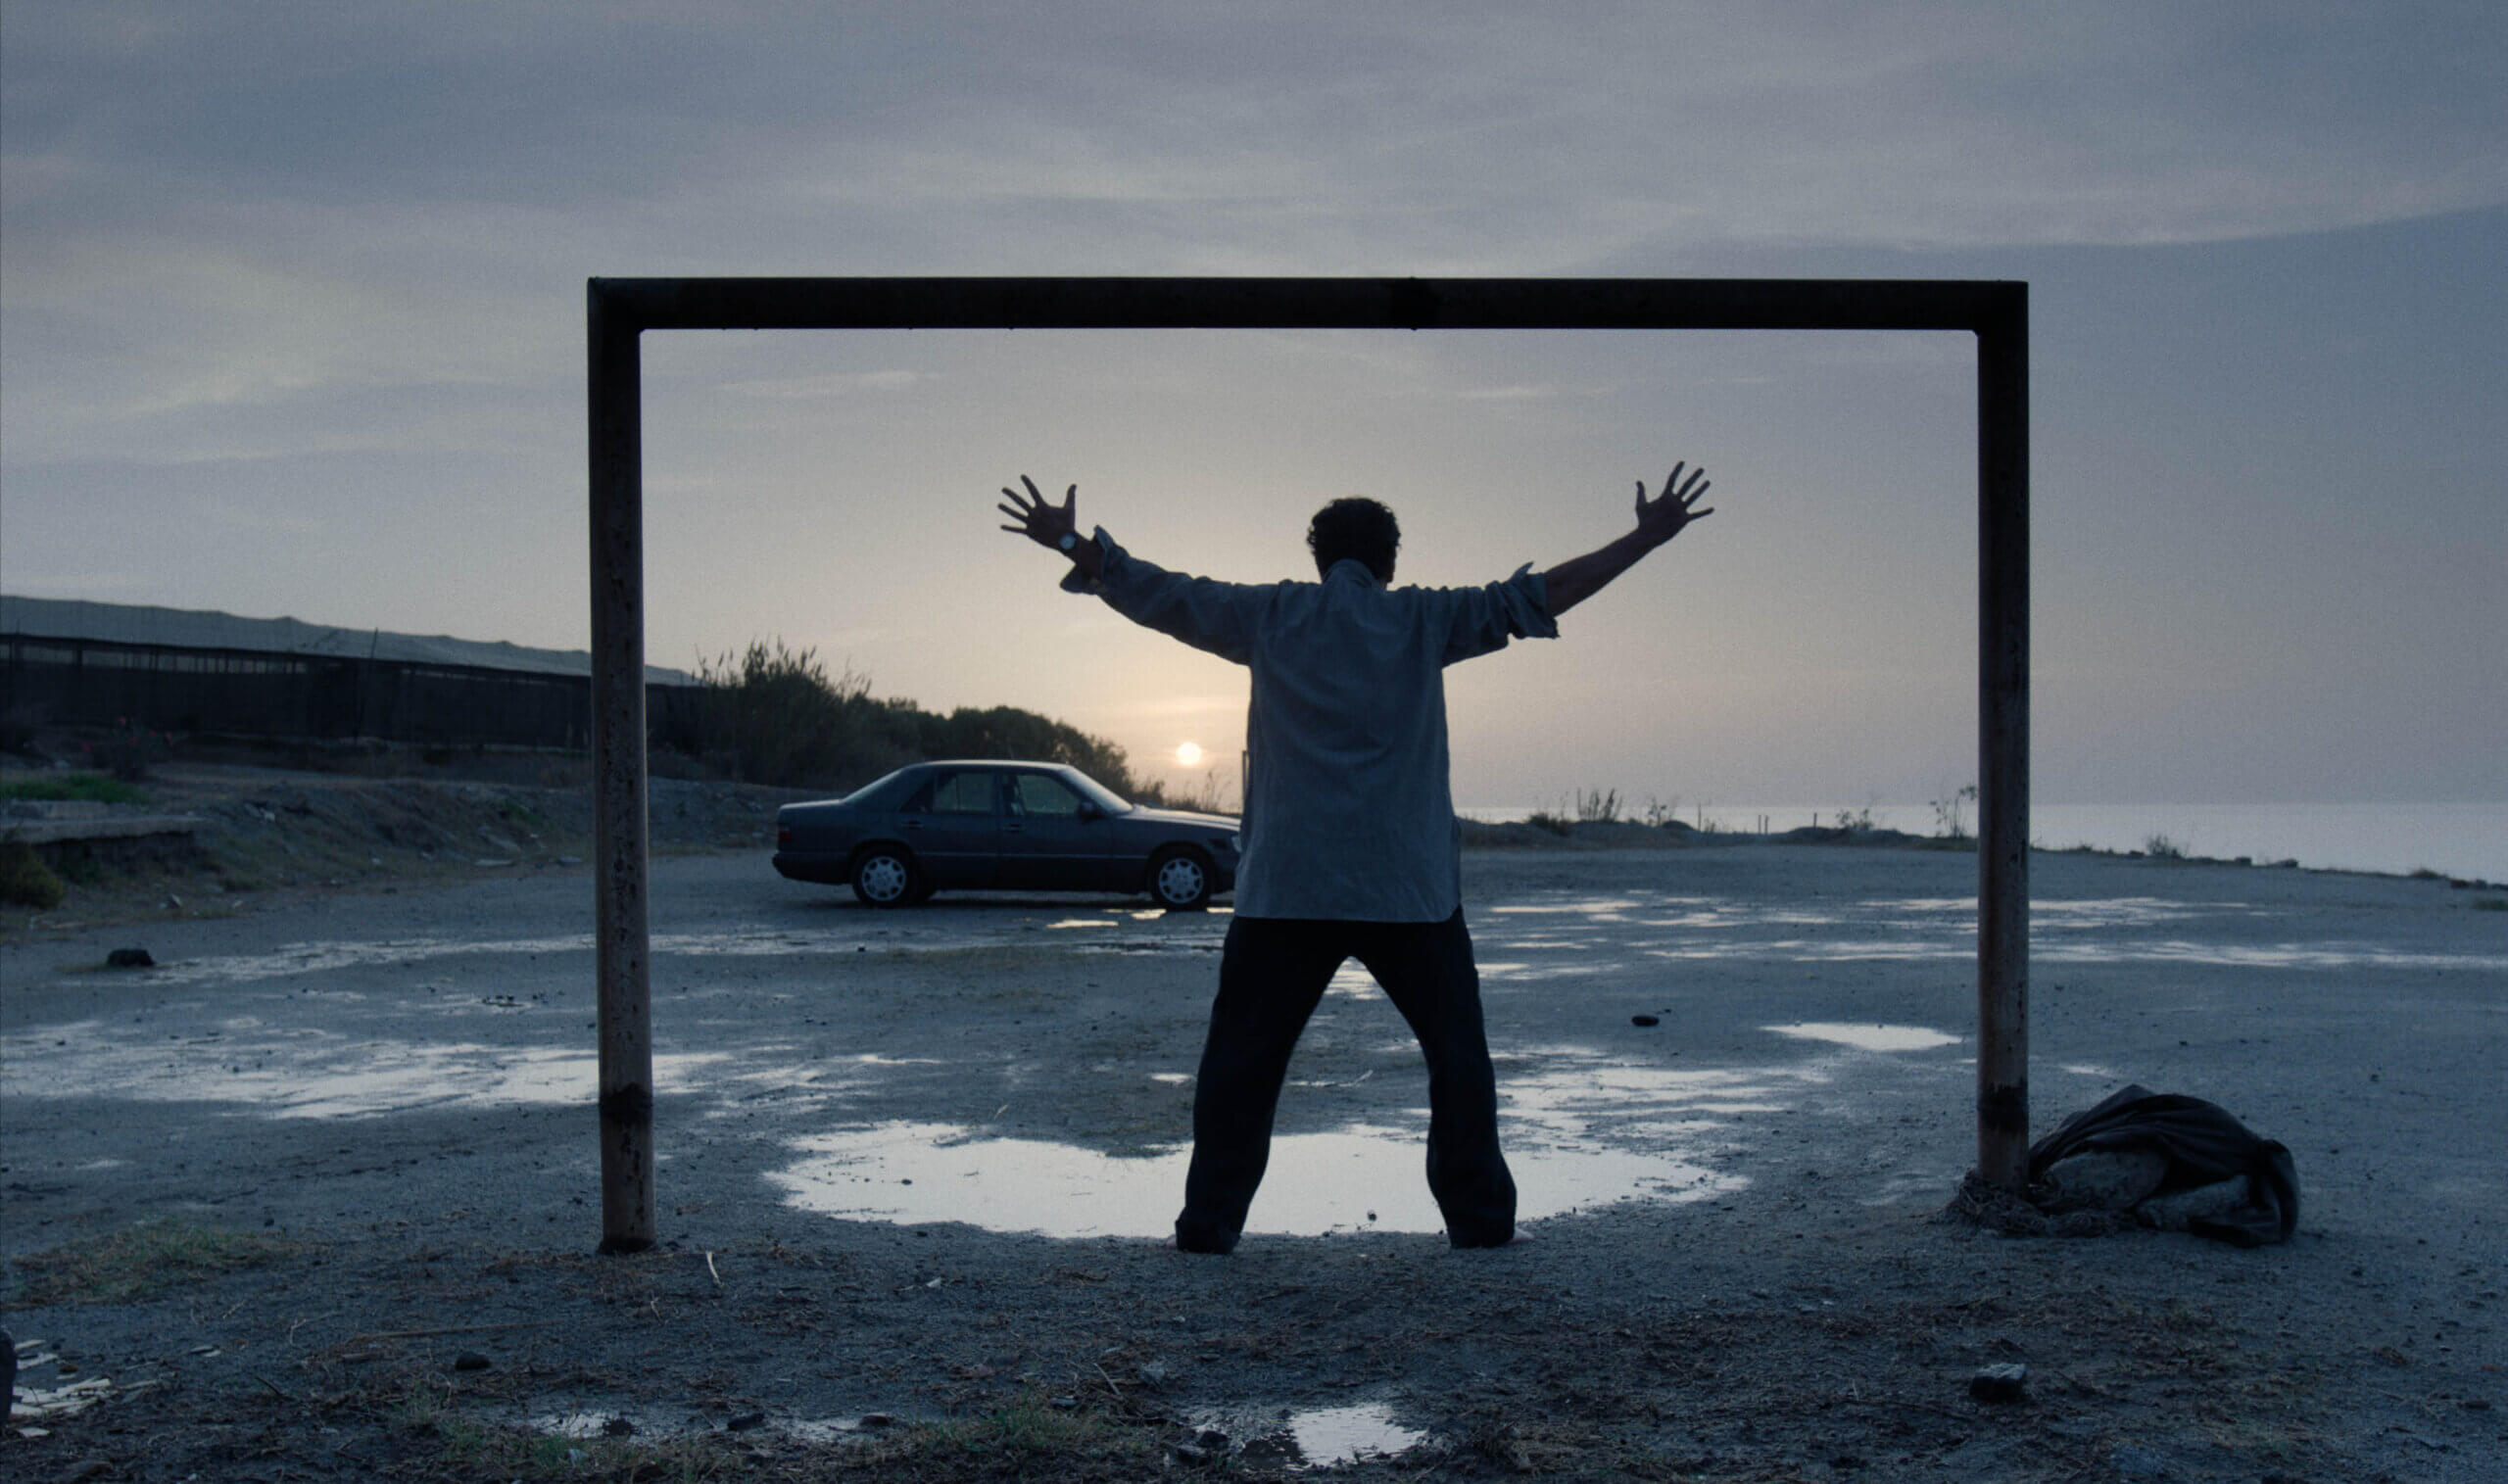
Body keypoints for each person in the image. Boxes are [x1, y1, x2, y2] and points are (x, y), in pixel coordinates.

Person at [997, 464, 1715, 1252]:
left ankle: (1208, 1227)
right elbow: (1541, 595)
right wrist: (1648, 536)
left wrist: (1068, 540)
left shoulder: (1271, 614)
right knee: (1458, 1062)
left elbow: (1163, 593)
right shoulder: (1424, 620)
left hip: (1287, 890)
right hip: (1405, 890)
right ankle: (1480, 1227)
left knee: (1241, 1067)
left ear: (1319, 557)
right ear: (1390, 561)